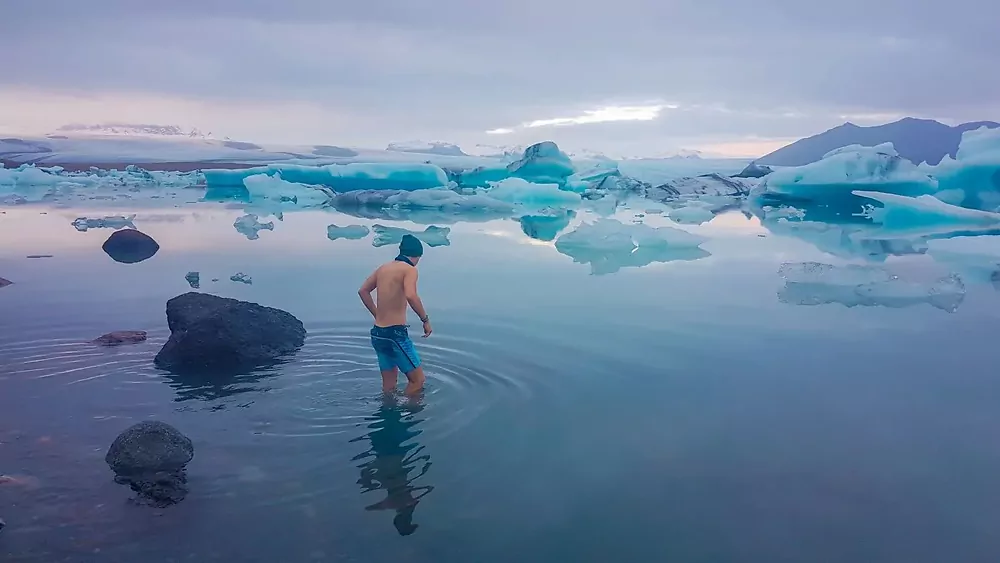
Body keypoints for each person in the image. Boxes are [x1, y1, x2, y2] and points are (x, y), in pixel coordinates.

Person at [358, 234, 432, 395]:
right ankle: (412, 416)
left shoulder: (383, 268)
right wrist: (425, 320)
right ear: (417, 255)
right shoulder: (410, 269)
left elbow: (363, 291)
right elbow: (411, 295)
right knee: (418, 381)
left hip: (378, 334)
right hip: (395, 334)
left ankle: (389, 413)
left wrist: (377, 314)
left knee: (389, 387)